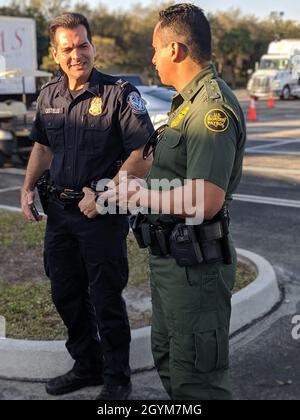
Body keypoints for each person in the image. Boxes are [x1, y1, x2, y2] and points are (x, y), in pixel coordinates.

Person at [101, 3, 247, 400]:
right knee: (169, 359)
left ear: (175, 50)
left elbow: (208, 198)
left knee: (197, 379)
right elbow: (172, 172)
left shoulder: (209, 112)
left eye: (154, 48)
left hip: (196, 269)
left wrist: (140, 194)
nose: (151, 58)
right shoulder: (185, 106)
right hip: (173, 262)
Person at [21, 12, 153, 400]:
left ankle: (117, 378)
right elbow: (43, 147)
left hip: (103, 216)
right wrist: (27, 188)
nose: (76, 54)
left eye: (83, 45)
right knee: (65, 293)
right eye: (68, 48)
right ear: (55, 54)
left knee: (105, 296)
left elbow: (142, 155)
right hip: (59, 214)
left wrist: (108, 197)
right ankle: (86, 364)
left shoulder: (119, 94)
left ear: (93, 45)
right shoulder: (49, 95)